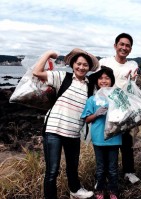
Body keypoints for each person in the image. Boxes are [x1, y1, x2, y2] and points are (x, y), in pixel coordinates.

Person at [32, 48, 98, 199]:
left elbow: (99, 68)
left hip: (74, 132)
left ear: (89, 68)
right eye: (78, 63)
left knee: (72, 167)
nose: (81, 67)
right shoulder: (62, 77)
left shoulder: (90, 86)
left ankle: (75, 191)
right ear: (73, 64)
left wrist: (84, 52)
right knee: (52, 171)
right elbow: (37, 72)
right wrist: (48, 54)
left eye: (85, 65)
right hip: (54, 130)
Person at [96, 33, 140, 184]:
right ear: (115, 46)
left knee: (126, 142)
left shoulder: (132, 65)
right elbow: (98, 81)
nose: (124, 47)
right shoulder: (105, 62)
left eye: (127, 46)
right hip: (107, 108)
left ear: (130, 49)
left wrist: (133, 79)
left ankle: (129, 171)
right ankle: (105, 174)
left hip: (125, 108)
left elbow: (133, 84)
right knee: (107, 142)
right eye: (121, 44)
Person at [81, 66, 120, 199]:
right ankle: (99, 190)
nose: (104, 81)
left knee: (113, 168)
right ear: (97, 81)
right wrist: (97, 114)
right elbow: (87, 119)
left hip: (115, 137)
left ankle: (113, 190)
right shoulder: (92, 99)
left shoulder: (117, 97)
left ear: (112, 80)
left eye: (107, 78)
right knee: (100, 167)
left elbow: (127, 114)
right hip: (98, 139)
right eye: (101, 78)